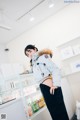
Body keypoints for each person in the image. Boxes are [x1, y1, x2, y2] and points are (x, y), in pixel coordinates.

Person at [24, 44, 69, 120]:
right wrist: (25, 71)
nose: (30, 55)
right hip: (44, 88)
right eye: (27, 54)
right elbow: (34, 71)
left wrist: (56, 85)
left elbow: (55, 69)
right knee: (54, 113)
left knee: (60, 112)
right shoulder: (33, 64)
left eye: (30, 51)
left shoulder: (43, 57)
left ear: (35, 49)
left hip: (52, 88)